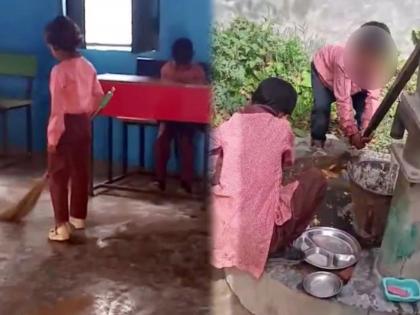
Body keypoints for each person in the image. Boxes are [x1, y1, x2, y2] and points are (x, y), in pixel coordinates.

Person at [210, 78, 327, 279]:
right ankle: (283, 246)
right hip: (258, 239)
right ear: (282, 114)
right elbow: (287, 162)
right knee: (316, 179)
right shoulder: (282, 128)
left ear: (254, 99)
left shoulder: (230, 125)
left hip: (221, 232)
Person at [45, 16, 104, 241]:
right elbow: (98, 96)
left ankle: (61, 227)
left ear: (57, 47)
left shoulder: (59, 71)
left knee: (58, 177)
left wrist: (52, 139)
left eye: (51, 47)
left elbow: (57, 111)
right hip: (83, 124)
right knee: (80, 171)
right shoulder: (87, 66)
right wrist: (87, 112)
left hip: (65, 127)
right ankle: (78, 217)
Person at [311, 21, 394, 150]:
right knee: (321, 108)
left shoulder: (378, 65)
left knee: (362, 111)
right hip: (324, 74)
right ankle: (317, 144)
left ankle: (357, 142)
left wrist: (367, 128)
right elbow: (343, 99)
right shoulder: (344, 60)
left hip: (354, 84)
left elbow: (373, 99)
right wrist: (351, 133)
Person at [152, 38, 207, 194]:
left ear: (191, 55)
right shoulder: (167, 69)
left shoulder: (197, 71)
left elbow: (200, 97)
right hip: (168, 114)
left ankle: (186, 181)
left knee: (186, 142)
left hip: (189, 116)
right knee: (161, 141)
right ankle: (160, 180)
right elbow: (163, 96)